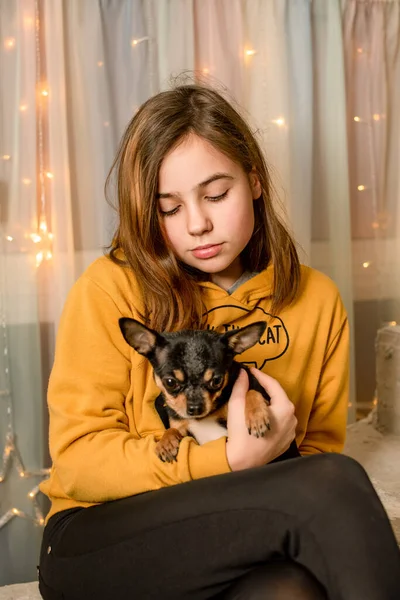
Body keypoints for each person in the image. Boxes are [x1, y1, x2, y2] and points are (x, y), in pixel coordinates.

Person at [38, 83, 400, 600]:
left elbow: (314, 455)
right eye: (168, 208)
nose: (198, 224)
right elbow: (77, 462)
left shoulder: (316, 299)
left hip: (231, 527)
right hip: (96, 535)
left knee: (292, 587)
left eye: (215, 194)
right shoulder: (109, 287)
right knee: (333, 482)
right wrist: (226, 461)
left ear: (254, 179)